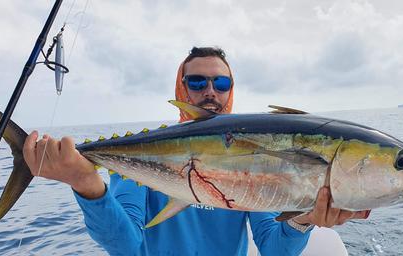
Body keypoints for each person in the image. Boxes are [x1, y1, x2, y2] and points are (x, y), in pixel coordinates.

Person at [23, 47, 370, 255]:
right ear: (182, 88)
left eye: (221, 83)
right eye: (197, 82)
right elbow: (128, 248)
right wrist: (88, 186)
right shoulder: (144, 151)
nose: (210, 91)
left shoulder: (259, 161)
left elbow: (274, 249)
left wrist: (305, 219)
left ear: (230, 91)